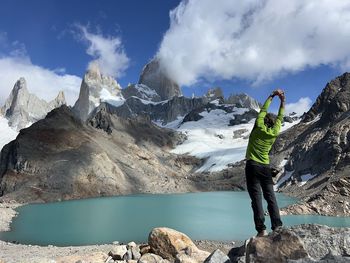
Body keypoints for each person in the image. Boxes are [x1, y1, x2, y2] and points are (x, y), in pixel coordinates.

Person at [245, 89, 285, 237]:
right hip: (265, 168)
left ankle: (261, 230)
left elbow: (263, 110)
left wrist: (272, 96)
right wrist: (283, 101)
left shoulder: (258, 128)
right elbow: (280, 117)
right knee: (271, 197)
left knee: (256, 199)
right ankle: (277, 227)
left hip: (252, 166)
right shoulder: (274, 132)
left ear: (261, 122)